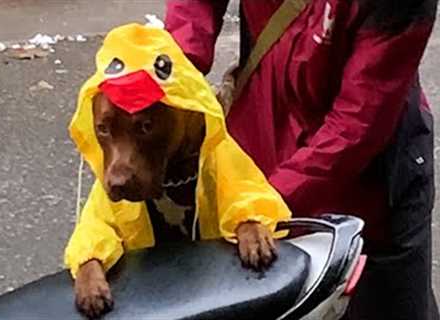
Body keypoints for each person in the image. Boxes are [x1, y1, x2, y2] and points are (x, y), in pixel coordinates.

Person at [165, 0, 439, 319]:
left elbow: (357, 125)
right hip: (257, 148)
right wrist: (173, 74)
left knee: (387, 304)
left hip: (367, 193)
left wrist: (260, 204)